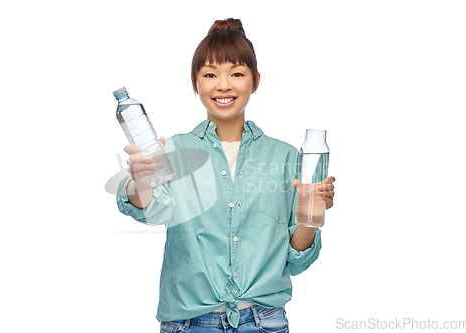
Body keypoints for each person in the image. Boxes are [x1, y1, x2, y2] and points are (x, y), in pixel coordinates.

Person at [116, 18, 336, 333]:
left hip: (264, 323)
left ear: (255, 80)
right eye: (209, 75)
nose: (223, 85)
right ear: (195, 82)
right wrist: (140, 180)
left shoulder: (286, 157)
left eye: (236, 73)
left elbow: (296, 261)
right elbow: (153, 211)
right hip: (189, 324)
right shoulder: (173, 151)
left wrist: (309, 217)